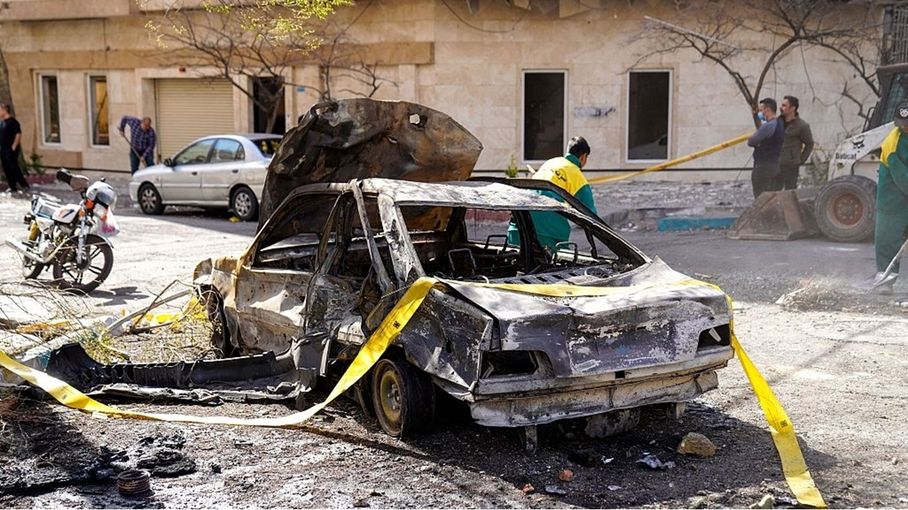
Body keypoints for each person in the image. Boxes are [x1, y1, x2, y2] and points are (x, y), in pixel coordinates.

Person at [507, 136, 598, 251]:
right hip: (548, 232)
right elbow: (591, 215)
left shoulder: (550, 162)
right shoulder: (577, 176)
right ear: (583, 157)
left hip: (518, 226)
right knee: (561, 261)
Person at [870, 102, 908, 294]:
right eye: (903, 122)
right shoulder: (893, 144)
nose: (906, 126)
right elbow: (902, 177)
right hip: (892, 200)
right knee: (888, 240)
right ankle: (885, 279)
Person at [747, 98, 786, 198]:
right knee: (773, 198)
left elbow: (751, 141)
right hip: (777, 166)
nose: (759, 113)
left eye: (761, 110)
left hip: (764, 167)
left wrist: (757, 142)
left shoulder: (768, 126)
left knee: (761, 198)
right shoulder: (780, 124)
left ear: (767, 110)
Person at [779, 95, 814, 190]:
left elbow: (809, 144)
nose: (781, 108)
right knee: (774, 192)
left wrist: (800, 160)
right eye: (781, 105)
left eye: (784, 106)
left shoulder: (802, 126)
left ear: (792, 108)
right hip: (775, 164)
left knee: (789, 191)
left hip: (790, 166)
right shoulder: (777, 122)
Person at [0, 104, 29, 194]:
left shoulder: (13, 122)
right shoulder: (1, 122)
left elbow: (18, 134)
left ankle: (24, 185)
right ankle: (12, 186)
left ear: (4, 110)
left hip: (10, 149)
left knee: (13, 167)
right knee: (6, 168)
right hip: (2, 149)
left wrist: (13, 147)